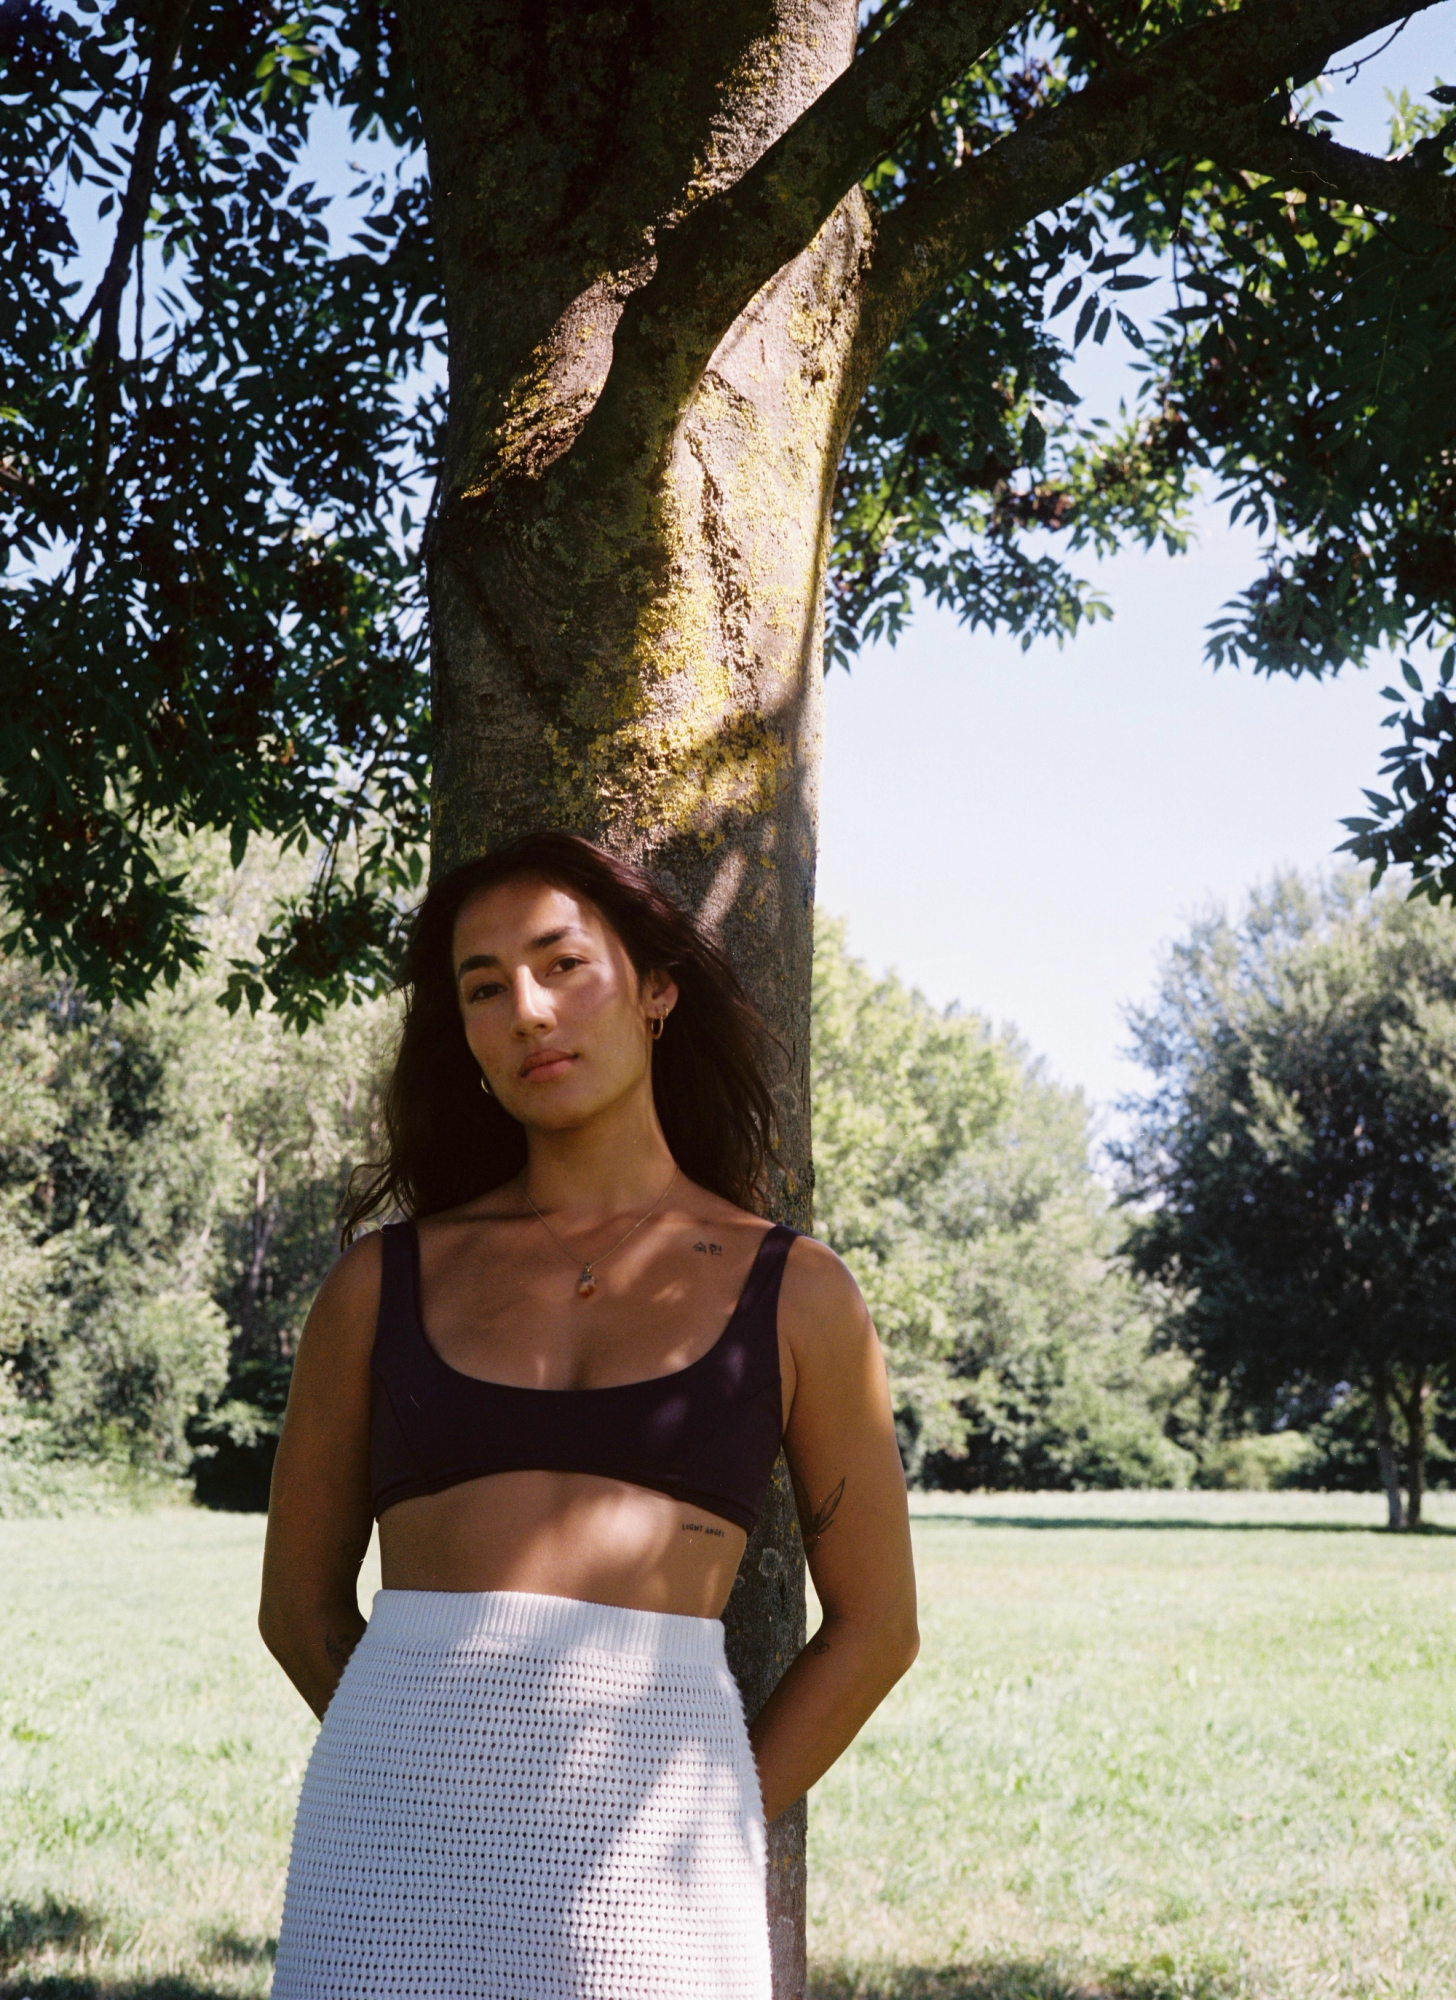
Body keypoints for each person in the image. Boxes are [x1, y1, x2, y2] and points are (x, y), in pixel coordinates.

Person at [259, 831, 918, 2000]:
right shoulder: (377, 1284)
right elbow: (298, 1609)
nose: (526, 1009)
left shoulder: (798, 1292)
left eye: (562, 963)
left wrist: (716, 1807)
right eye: (483, 987)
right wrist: (432, 1779)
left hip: (656, 1882)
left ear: (656, 987)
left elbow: (876, 1627)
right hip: (383, 1860)